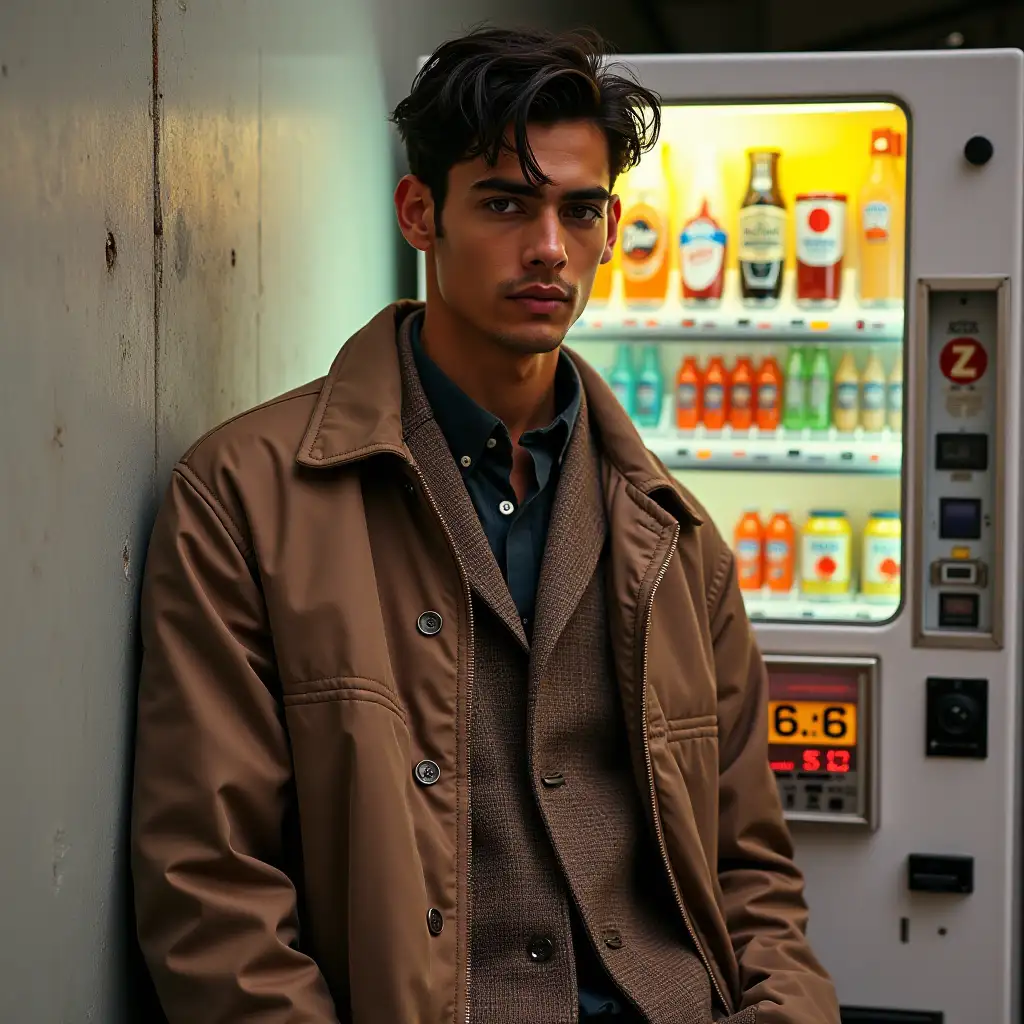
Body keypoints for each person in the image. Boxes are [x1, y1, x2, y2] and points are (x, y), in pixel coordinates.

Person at [131, 26, 842, 1024]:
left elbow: (751, 871)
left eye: (579, 210)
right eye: (507, 204)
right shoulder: (244, 495)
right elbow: (211, 886)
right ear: (421, 213)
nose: (549, 247)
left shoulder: (676, 539)